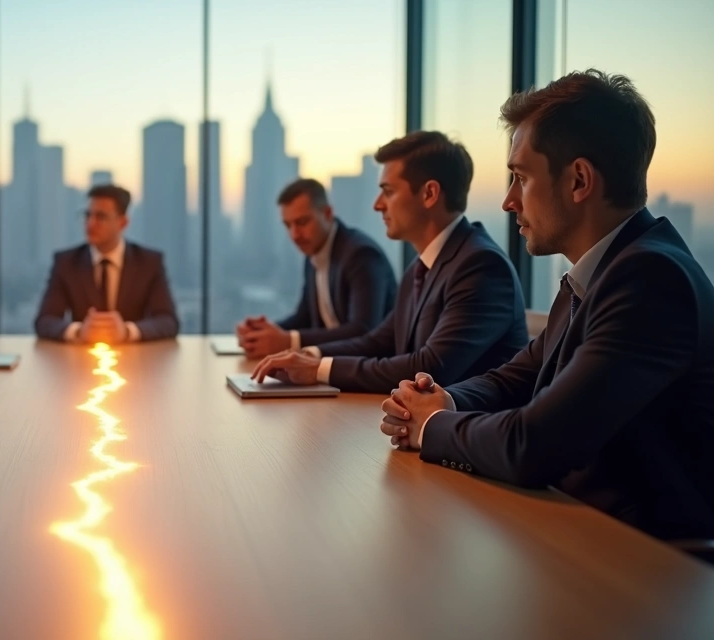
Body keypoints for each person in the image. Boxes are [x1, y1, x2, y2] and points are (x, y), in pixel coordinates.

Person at [381, 70, 714, 540]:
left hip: (648, 567)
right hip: (581, 534)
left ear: (579, 180)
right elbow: (516, 379)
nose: (507, 201)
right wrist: (444, 399)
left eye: (520, 177)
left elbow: (535, 444)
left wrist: (431, 425)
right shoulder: (598, 272)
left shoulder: (651, 280)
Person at [251, 131, 527, 392]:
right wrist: (308, 356)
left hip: (469, 434)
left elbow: (429, 368)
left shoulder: (481, 266)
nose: (378, 204)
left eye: (389, 191)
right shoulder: (420, 269)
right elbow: (378, 342)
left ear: (429, 194)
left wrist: (318, 369)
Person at [235, 178, 396, 359]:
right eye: (288, 225)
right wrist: (261, 333)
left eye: (302, 222)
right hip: (335, 366)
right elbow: (304, 318)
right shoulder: (314, 253)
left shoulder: (361, 255)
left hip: (372, 372)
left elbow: (363, 329)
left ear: (327, 213)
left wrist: (289, 341)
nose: (295, 235)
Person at [34, 184, 179, 343]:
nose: (90, 223)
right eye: (87, 215)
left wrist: (126, 331)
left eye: (100, 217)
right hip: (80, 359)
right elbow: (45, 321)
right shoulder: (66, 263)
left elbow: (168, 321)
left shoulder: (149, 263)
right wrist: (79, 331)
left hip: (136, 359)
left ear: (122, 223)